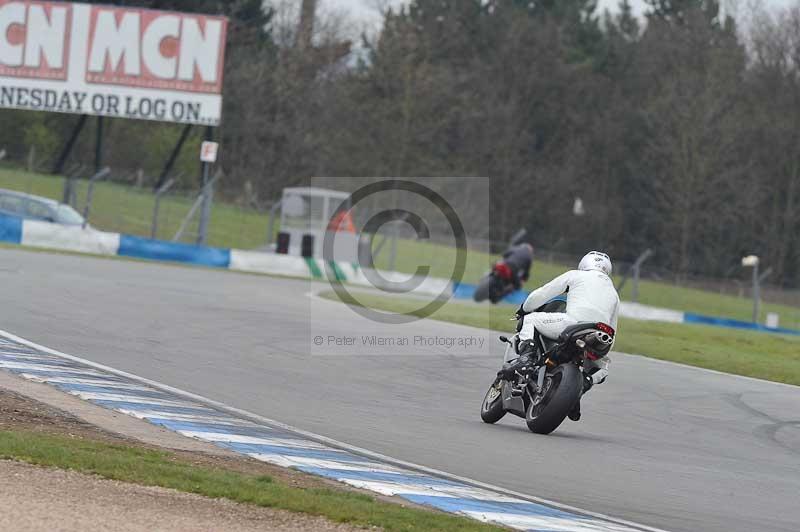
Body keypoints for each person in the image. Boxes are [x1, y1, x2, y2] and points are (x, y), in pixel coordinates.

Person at [499, 251, 620, 421]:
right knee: (603, 368)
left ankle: (526, 358)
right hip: (601, 336)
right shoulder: (614, 294)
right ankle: (582, 387)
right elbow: (613, 331)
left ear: (584, 264)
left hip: (572, 324)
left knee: (531, 320)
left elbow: (542, 294)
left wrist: (524, 309)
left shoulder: (575, 275)